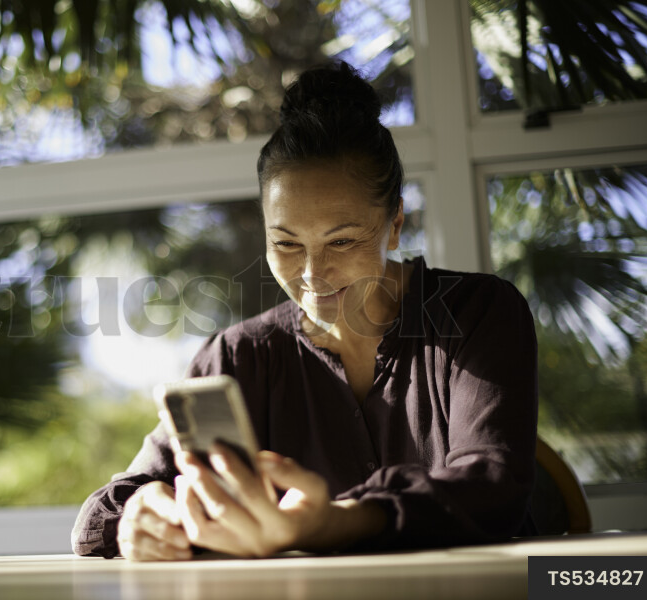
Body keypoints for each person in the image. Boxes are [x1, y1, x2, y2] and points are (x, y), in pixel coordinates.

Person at [71, 60, 538, 560]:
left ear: (395, 223)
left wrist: (333, 523)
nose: (313, 274)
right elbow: (96, 521)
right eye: (287, 244)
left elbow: (493, 485)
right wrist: (143, 513)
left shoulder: (479, 313)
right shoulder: (237, 356)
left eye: (342, 241)